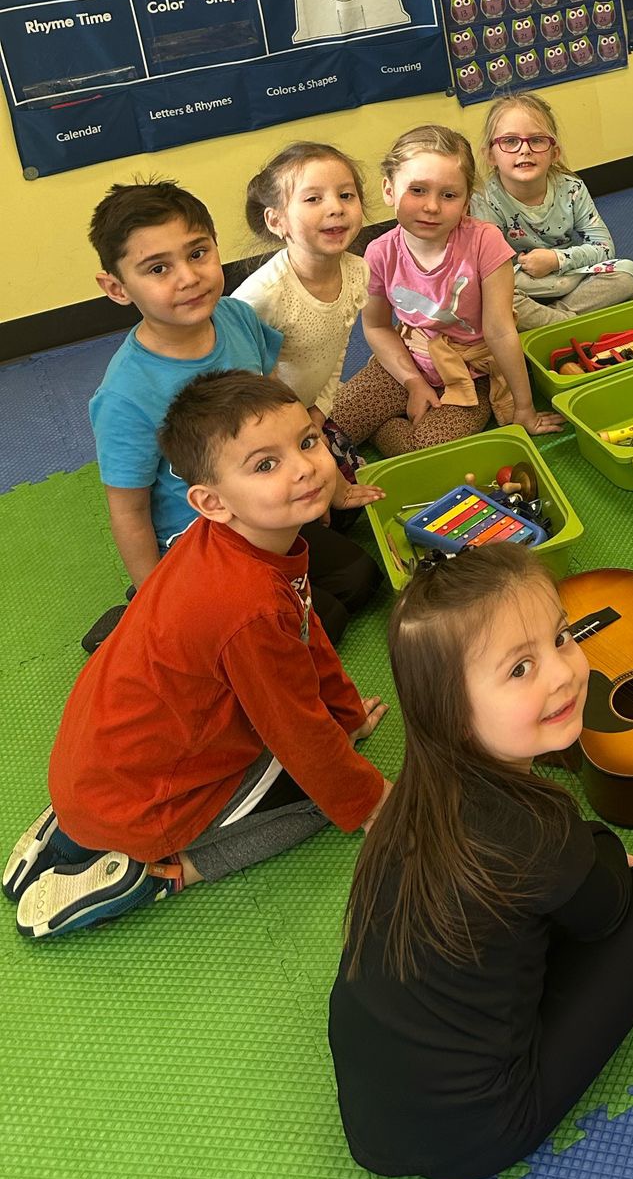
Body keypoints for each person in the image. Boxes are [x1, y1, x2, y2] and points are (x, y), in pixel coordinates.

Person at [328, 544, 633, 1179]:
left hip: (375, 1121)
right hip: (481, 1132)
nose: (562, 673)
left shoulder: (412, 797)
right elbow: (606, 911)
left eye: (561, 638)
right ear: (451, 711)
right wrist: (603, 851)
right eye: (520, 668)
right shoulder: (535, 827)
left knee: (541, 904)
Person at [4, 373, 391, 938]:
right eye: (266, 464)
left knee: (332, 759)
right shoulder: (249, 605)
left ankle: (77, 827)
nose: (305, 468)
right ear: (211, 501)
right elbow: (296, 729)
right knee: (326, 797)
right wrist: (369, 800)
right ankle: (161, 875)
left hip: (95, 772)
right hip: (144, 800)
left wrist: (347, 716)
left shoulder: (227, 543)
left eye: (307, 442)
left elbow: (308, 633)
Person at [86, 180, 380, 646]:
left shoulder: (237, 318)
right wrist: (157, 601)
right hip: (205, 539)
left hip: (263, 506)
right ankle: (133, 617)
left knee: (360, 579)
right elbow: (129, 511)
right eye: (159, 268)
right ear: (117, 288)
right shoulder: (125, 395)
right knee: (313, 624)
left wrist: (319, 482)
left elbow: (278, 410)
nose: (188, 277)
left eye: (198, 253)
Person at [330, 124, 561, 458]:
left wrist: (524, 408)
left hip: (469, 373)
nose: (432, 207)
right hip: (406, 362)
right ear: (389, 190)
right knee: (332, 426)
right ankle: (387, 416)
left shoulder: (485, 242)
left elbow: (500, 331)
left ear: (466, 202)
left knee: (426, 450)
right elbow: (377, 327)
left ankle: (384, 428)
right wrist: (413, 382)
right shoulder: (379, 252)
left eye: (449, 195)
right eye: (417, 190)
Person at [471, 92, 633, 331]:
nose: (524, 150)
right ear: (490, 155)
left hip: (568, 275)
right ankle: (572, 322)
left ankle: (554, 319)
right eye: (510, 141)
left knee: (628, 273)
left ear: (554, 153)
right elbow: (490, 271)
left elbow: (604, 248)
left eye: (537, 140)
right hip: (519, 284)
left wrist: (556, 259)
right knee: (491, 297)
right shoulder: (484, 200)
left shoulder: (571, 189)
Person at [233, 141, 370, 426]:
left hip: (312, 409)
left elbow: (337, 350)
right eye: (313, 199)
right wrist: (291, 427)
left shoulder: (357, 272)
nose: (336, 207)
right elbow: (240, 383)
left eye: (346, 195)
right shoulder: (261, 297)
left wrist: (320, 410)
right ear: (276, 221)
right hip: (262, 420)